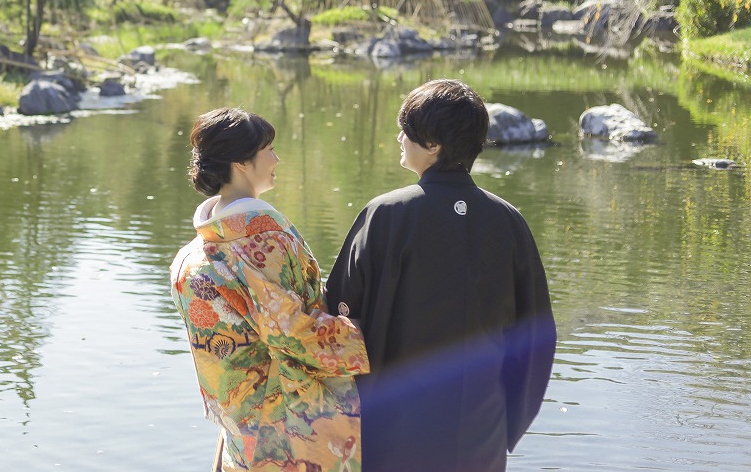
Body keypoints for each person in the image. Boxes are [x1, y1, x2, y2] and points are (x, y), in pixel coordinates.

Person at [325, 79, 557, 472]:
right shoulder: (508, 221)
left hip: (395, 425)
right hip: (481, 426)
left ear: (433, 145)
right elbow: (536, 334)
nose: (400, 137)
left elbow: (340, 315)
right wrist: (507, 422)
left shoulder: (386, 214)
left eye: (408, 130)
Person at [171, 107, 369, 472]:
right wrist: (363, 335)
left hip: (239, 422)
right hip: (288, 426)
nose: (277, 158)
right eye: (269, 149)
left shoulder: (191, 256)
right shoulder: (263, 241)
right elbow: (289, 331)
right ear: (242, 162)